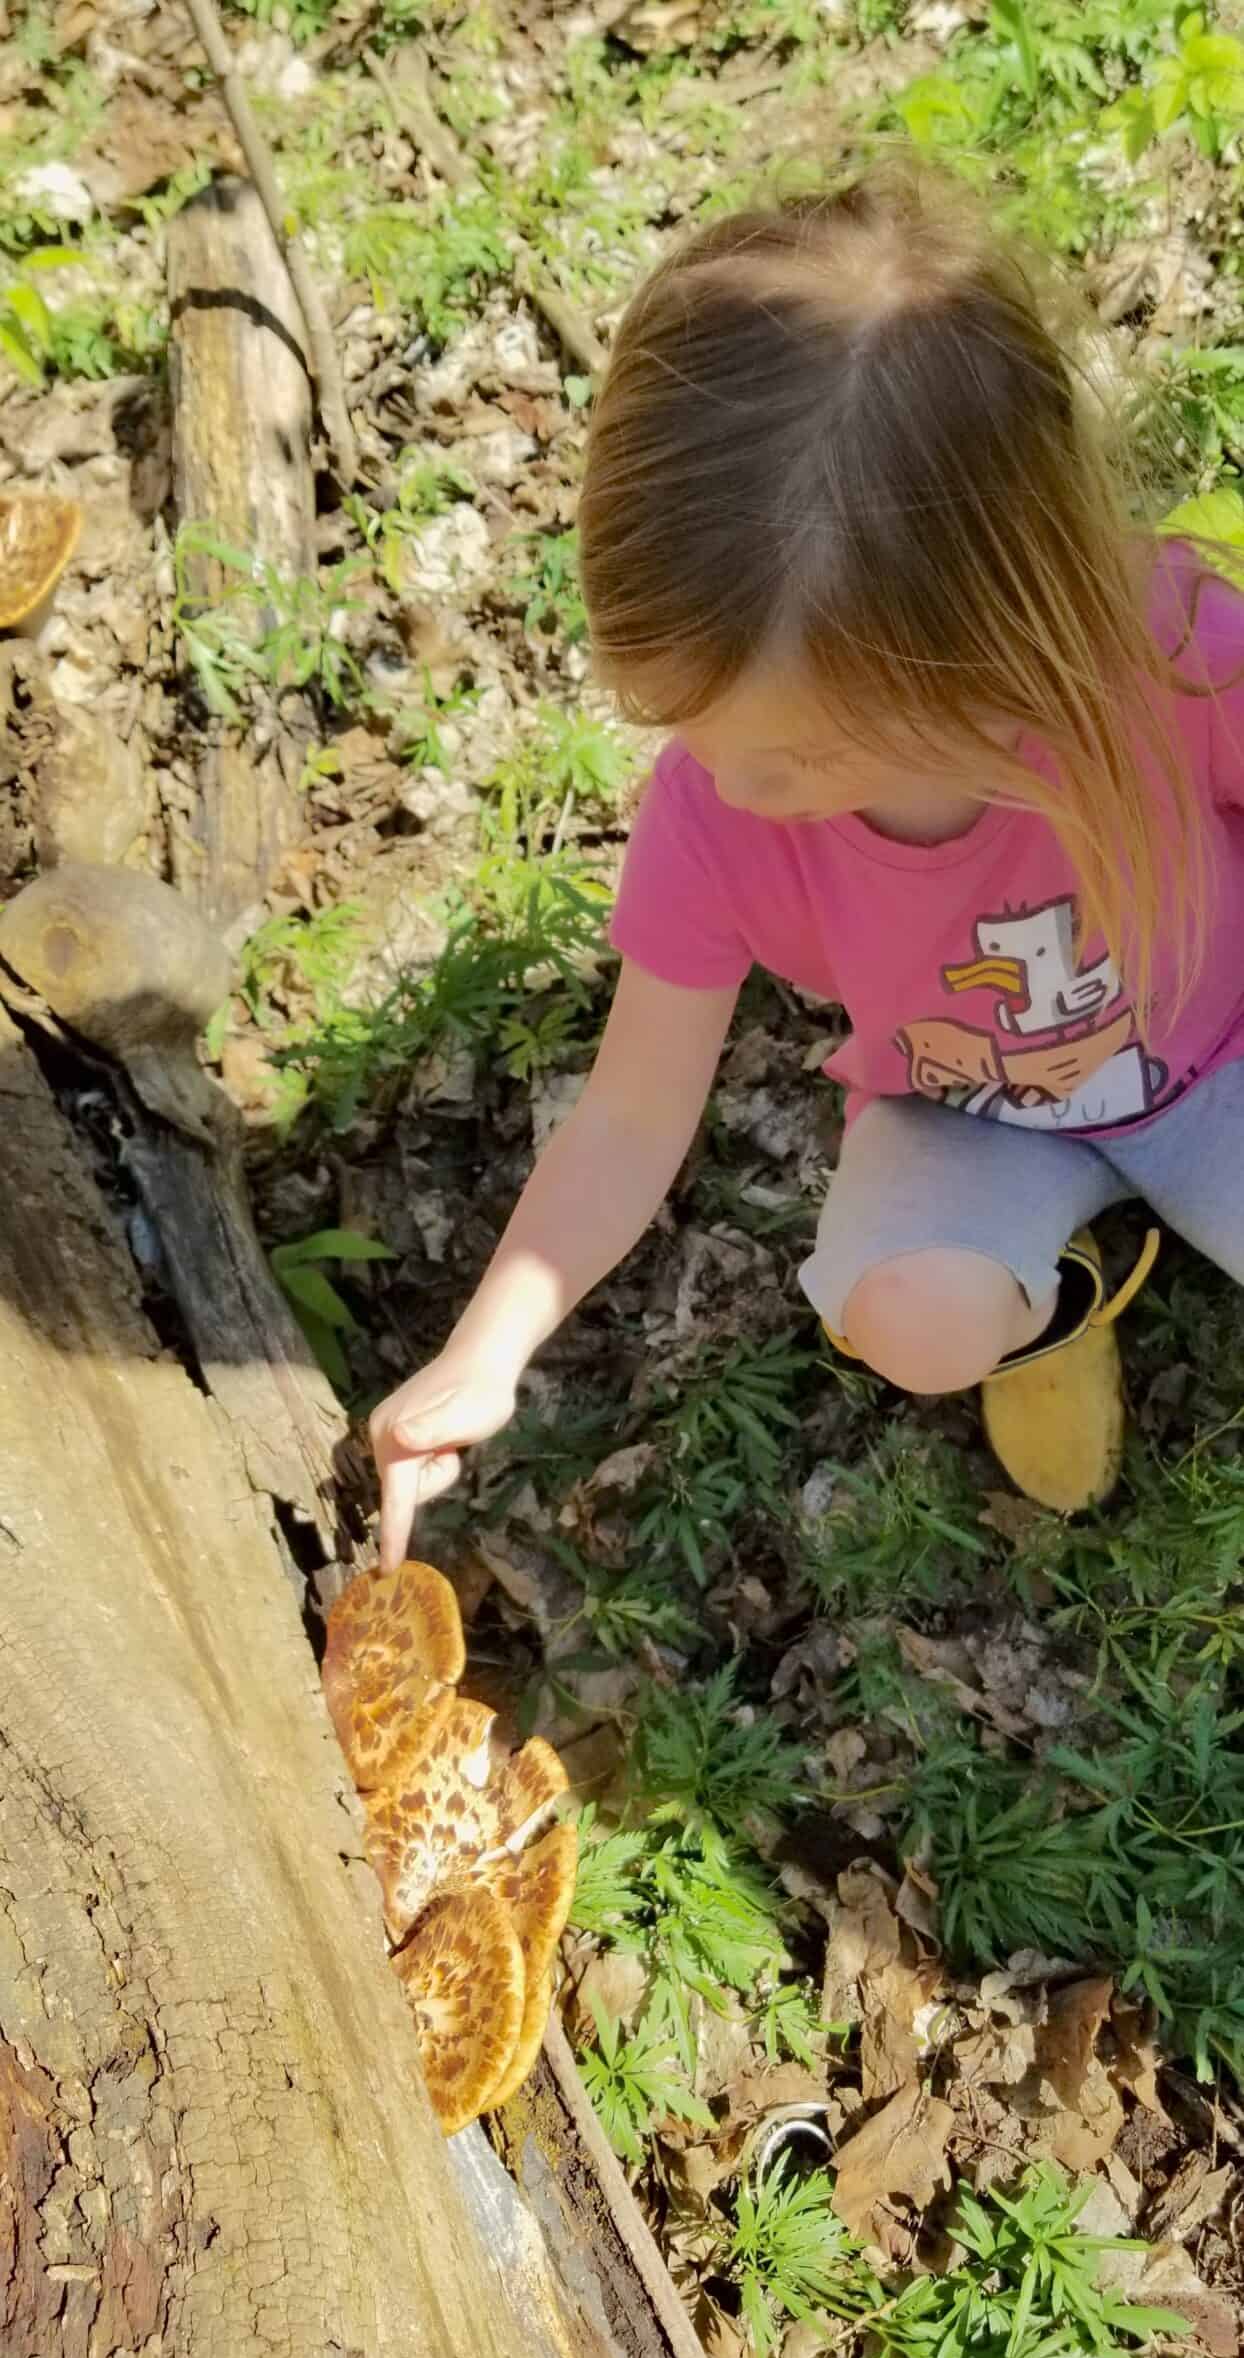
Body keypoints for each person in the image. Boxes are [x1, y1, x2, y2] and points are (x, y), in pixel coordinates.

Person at [371, 156, 1244, 1571]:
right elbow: (632, 1112)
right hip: (968, 1118)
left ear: (992, 657)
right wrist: (488, 1351)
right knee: (911, 1320)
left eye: (793, 760)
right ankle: (1069, 1289)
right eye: (694, 735)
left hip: (1222, 1059)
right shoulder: (717, 816)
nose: (729, 784)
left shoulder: (1169, 665)